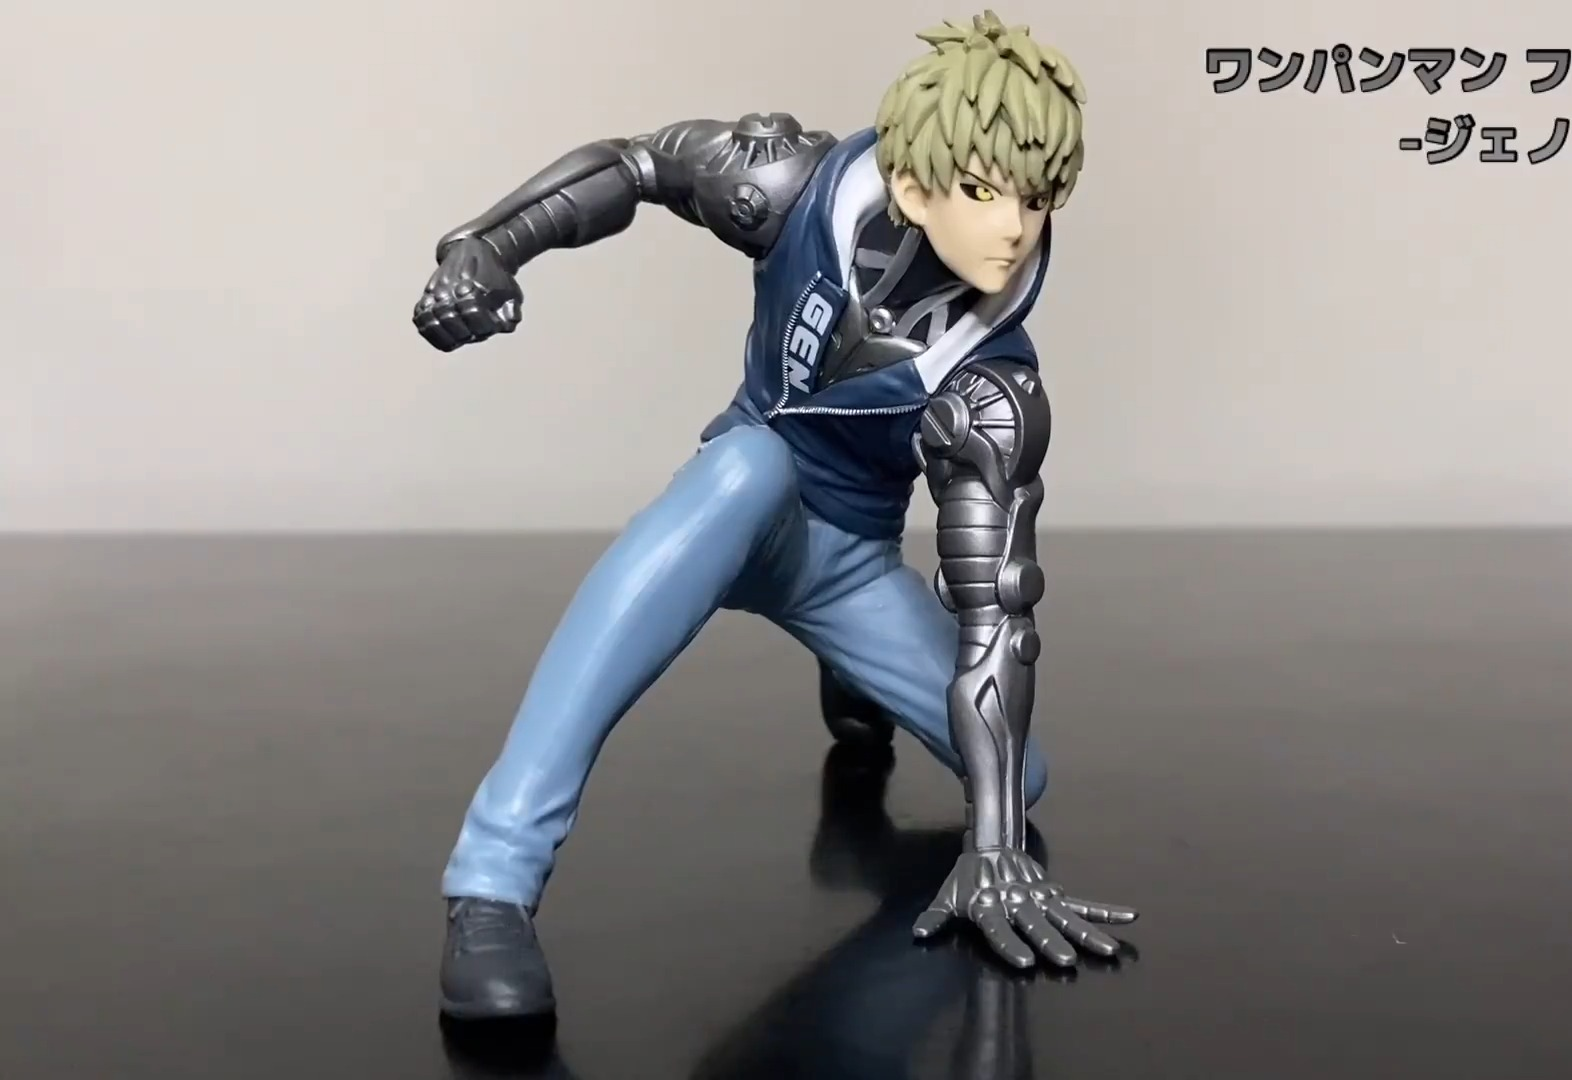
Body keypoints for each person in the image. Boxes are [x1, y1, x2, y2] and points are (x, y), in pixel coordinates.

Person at [412, 11, 1135, 1020]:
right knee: (749, 467)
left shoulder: (993, 390)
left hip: (847, 566)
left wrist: (997, 847)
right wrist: (487, 248)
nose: (1015, 227)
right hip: (734, 506)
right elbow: (637, 164)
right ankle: (493, 881)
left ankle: (853, 672)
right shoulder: (793, 185)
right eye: (984, 191)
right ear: (915, 185)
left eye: (1038, 197)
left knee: (1024, 777)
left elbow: (996, 619)